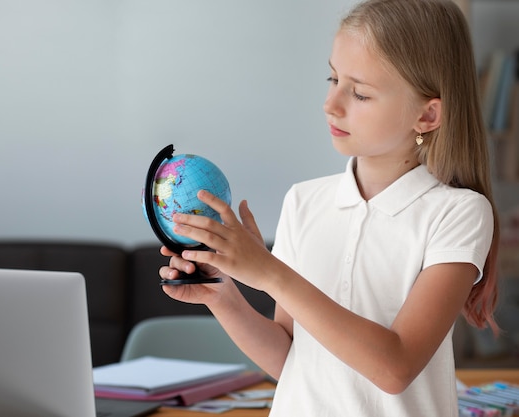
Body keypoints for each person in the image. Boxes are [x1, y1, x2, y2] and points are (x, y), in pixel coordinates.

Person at [158, 0, 500, 415]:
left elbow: (396, 367)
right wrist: (222, 296)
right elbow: (290, 360)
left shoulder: (459, 213)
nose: (331, 103)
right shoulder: (304, 201)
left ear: (427, 115)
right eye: (332, 78)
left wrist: (269, 273)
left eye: (359, 92)